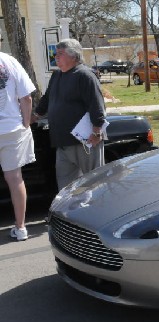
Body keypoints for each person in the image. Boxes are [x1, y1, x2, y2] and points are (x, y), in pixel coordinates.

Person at [33, 38, 107, 190]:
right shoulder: (56, 76)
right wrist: (33, 116)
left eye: (60, 53)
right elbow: (47, 99)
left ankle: (99, 212)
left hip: (86, 141)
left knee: (95, 183)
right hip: (62, 142)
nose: (56, 57)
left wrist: (97, 131)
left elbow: (97, 105)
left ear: (74, 56)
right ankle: (71, 213)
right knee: (66, 189)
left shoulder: (85, 76)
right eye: (56, 53)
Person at [0, 33, 37, 241]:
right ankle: (21, 227)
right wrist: (25, 122)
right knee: (15, 179)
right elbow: (27, 97)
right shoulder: (11, 62)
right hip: (12, 129)